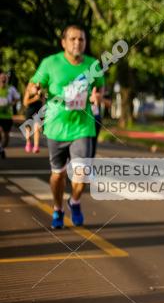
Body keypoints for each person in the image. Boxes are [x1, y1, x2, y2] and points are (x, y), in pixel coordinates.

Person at [27, 25, 105, 229]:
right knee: (58, 175)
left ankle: (75, 201)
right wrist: (34, 89)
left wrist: (98, 96)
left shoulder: (92, 65)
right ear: (64, 42)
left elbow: (100, 86)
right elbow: (33, 85)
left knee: (82, 174)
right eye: (73, 39)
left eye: (81, 39)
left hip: (82, 127)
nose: (77, 43)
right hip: (56, 127)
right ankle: (58, 208)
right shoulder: (50, 63)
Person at [0, 71, 21, 158]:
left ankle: (1, 148)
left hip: (7, 116)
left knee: (6, 136)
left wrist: (12, 103)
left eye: (5, 78)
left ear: (7, 79)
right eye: (1, 78)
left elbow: (17, 98)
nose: (3, 79)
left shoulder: (11, 89)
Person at [22, 83, 44, 153]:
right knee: (28, 130)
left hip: (38, 112)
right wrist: (35, 98)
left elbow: (43, 102)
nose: (37, 85)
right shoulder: (29, 91)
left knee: (36, 129)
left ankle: (36, 146)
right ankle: (28, 143)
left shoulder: (41, 91)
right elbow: (25, 103)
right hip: (29, 112)